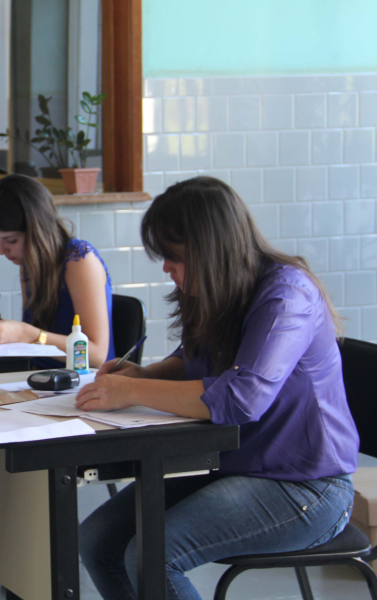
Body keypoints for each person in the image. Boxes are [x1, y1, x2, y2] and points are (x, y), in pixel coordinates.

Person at [77, 176, 359, 600]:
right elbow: (194, 359)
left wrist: (130, 393)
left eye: (173, 257)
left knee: (153, 554)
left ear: (210, 248)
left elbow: (241, 397)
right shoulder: (216, 288)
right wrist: (143, 376)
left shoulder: (288, 295)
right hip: (235, 466)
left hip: (306, 486)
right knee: (96, 540)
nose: (166, 269)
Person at [0, 174, 114, 368]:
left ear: (38, 231)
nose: (2, 251)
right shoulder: (29, 262)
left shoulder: (79, 260)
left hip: (84, 384)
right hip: (38, 378)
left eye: (11, 241)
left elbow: (96, 355)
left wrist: (28, 334)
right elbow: (35, 335)